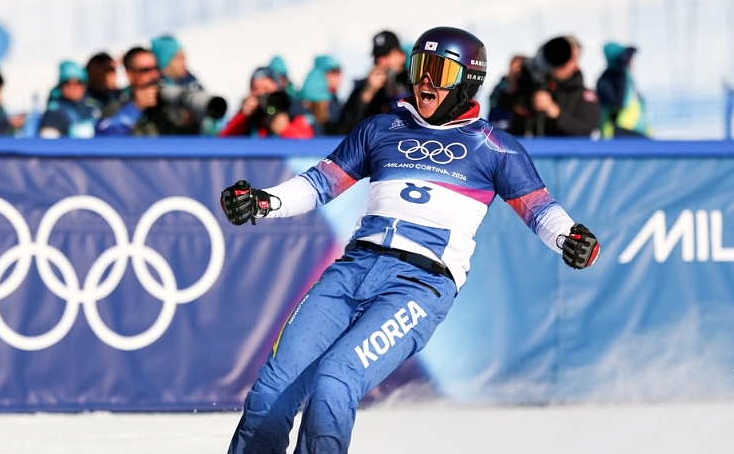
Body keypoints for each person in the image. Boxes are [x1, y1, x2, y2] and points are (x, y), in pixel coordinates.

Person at [219, 26, 601, 454]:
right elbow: (318, 184)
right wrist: (263, 201)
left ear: (467, 79)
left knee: (333, 382)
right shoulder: (381, 128)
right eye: (420, 67)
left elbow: (540, 209)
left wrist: (569, 236)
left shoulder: (494, 147)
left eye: (439, 70)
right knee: (272, 389)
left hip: (418, 285)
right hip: (353, 269)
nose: (425, 80)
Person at [507, 35, 600, 137]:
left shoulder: (584, 96)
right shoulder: (530, 86)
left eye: (569, 57)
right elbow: (501, 124)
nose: (563, 62)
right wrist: (513, 86)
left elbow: (586, 130)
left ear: (576, 63)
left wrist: (555, 112)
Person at [334, 29, 410, 135]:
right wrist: (367, 95)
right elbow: (344, 130)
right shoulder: (364, 88)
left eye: (386, 55)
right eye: (377, 56)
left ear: (401, 56)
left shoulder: (414, 84)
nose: (381, 61)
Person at [218, 66, 314, 139]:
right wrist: (242, 116)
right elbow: (222, 143)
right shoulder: (248, 117)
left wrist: (286, 129)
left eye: (266, 89)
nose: (261, 94)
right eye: (255, 89)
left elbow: (308, 144)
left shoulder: (291, 109)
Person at [596, 42, 651, 138]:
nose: (631, 62)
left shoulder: (624, 77)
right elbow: (617, 101)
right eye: (627, 59)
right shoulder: (610, 79)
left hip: (635, 134)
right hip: (620, 136)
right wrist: (620, 69)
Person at [37, 60, 102, 138]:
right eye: (67, 83)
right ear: (61, 86)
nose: (73, 88)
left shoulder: (94, 108)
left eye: (78, 83)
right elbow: (48, 142)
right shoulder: (53, 113)